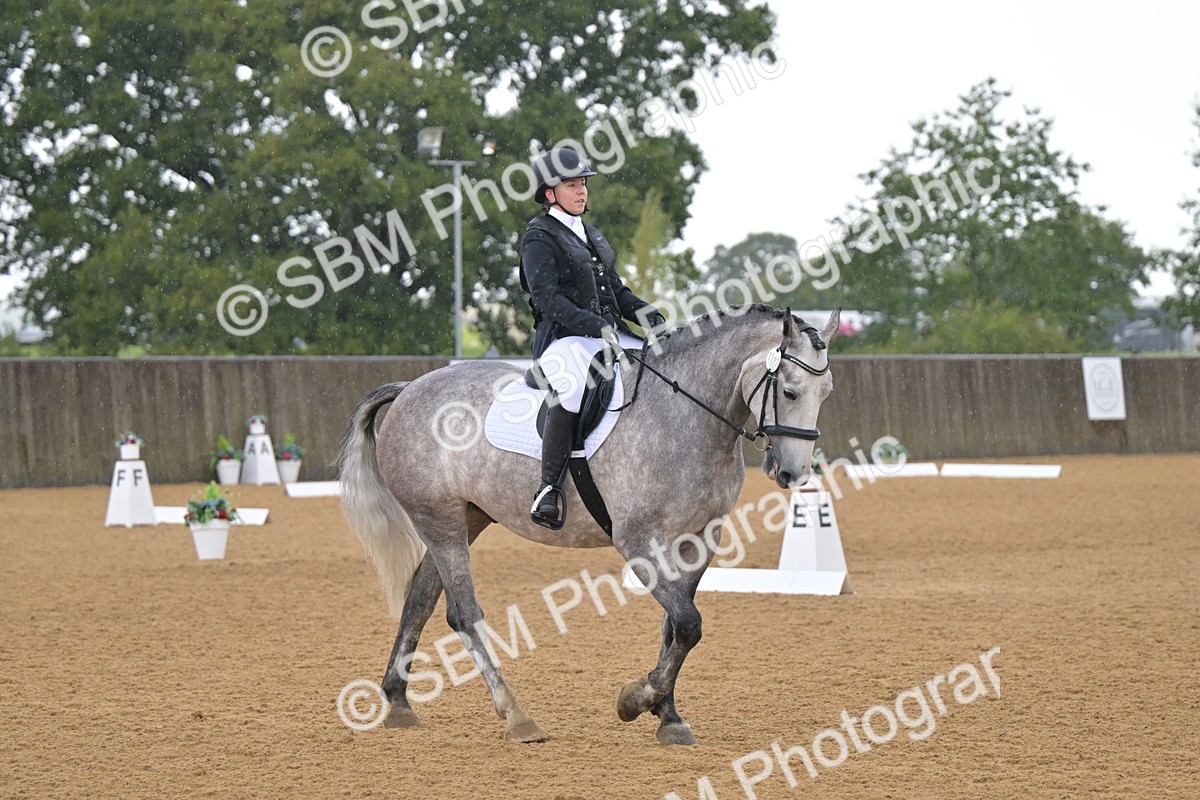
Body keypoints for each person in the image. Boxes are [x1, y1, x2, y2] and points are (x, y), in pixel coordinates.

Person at [519, 147, 666, 530]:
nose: (582, 191)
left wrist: (651, 317)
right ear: (550, 193)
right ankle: (548, 489)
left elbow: (617, 292)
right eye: (572, 185)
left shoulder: (591, 234)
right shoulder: (539, 237)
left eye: (583, 183)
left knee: (661, 369)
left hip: (609, 335)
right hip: (564, 339)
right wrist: (593, 326)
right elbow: (547, 299)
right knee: (570, 390)